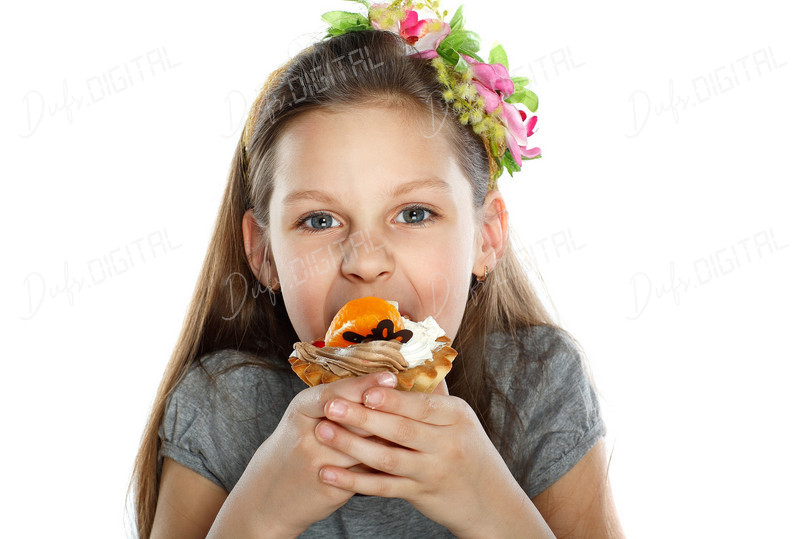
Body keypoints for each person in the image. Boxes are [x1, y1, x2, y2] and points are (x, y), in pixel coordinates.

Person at [128, 1, 623, 537]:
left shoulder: (538, 382)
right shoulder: (222, 403)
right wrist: (257, 516)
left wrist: (489, 502)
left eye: (414, 214)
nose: (365, 261)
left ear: (486, 236)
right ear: (264, 254)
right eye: (319, 220)